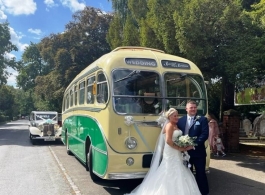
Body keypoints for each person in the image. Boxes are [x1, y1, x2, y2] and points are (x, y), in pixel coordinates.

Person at [126, 108, 201, 195]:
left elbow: (177, 139)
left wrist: (183, 143)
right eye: (174, 116)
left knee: (179, 168)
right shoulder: (169, 125)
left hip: (177, 151)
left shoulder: (176, 125)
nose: (177, 117)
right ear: (169, 117)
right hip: (170, 151)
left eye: (177, 115)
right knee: (169, 170)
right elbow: (168, 141)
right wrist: (180, 148)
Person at [177, 100, 209, 195]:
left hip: (198, 152)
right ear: (186, 109)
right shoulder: (181, 120)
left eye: (195, 107)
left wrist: (193, 144)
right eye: (191, 107)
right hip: (185, 153)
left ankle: (204, 192)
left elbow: (204, 134)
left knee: (201, 174)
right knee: (187, 173)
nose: (193, 109)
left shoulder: (202, 119)